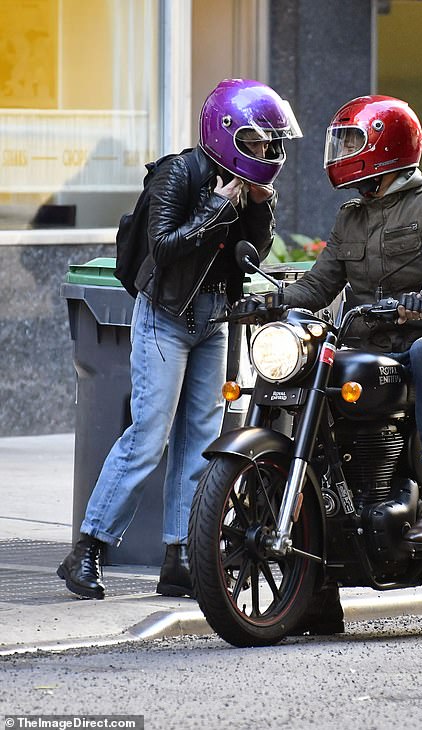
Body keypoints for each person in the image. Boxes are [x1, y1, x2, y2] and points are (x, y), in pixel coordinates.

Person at [57, 79, 302, 600]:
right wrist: (215, 208)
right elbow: (163, 247)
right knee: (148, 436)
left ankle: (181, 555)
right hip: (164, 318)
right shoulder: (177, 174)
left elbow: (253, 252)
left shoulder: (243, 184)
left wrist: (258, 206)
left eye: (269, 144)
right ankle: (87, 550)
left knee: (200, 443)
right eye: (256, 143)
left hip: (213, 320)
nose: (264, 153)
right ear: (227, 134)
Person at [246, 94, 422, 550]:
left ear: (386, 143)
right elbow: (318, 285)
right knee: (311, 364)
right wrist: (264, 301)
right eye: (341, 142)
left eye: (352, 141)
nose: (342, 152)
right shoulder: (351, 217)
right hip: (373, 343)